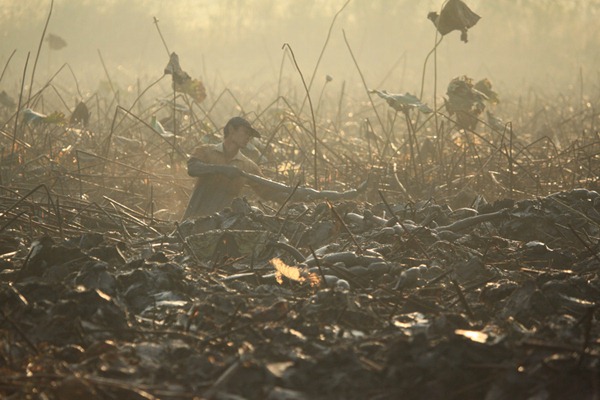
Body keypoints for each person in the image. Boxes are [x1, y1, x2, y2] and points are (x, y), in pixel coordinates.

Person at [182, 116, 369, 220]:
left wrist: (301, 198)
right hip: (193, 220)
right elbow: (193, 168)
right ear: (231, 129)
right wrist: (222, 170)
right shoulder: (205, 152)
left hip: (220, 224)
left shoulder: (248, 166)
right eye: (246, 132)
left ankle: (348, 193)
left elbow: (270, 193)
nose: (248, 138)